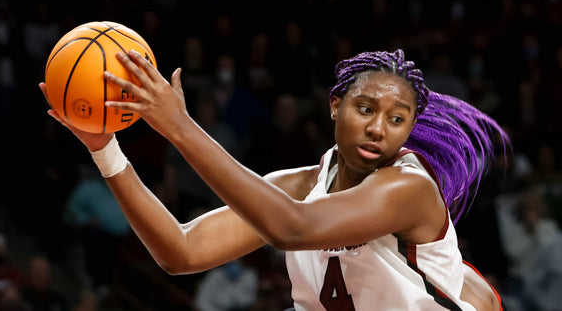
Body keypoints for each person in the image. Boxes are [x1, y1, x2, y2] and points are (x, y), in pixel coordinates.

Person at [39, 48, 509, 310]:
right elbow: (181, 252)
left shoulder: (408, 187)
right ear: (334, 106)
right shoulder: (298, 186)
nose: (377, 128)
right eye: (366, 109)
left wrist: (179, 127)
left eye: (397, 119)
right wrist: (105, 149)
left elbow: (293, 229)